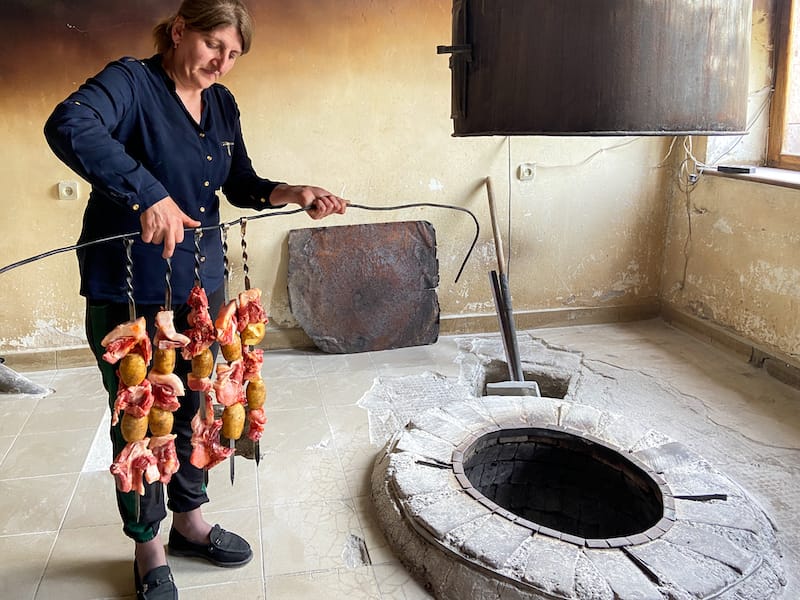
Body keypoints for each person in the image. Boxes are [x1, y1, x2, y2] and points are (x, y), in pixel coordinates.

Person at [44, 1, 346, 598]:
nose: (224, 64)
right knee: (141, 420)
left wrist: (290, 191)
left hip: (201, 289)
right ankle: (148, 545)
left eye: (234, 55)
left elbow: (237, 182)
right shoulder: (131, 83)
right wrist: (146, 195)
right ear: (180, 31)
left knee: (194, 407)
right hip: (132, 290)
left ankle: (189, 521)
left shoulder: (222, 104)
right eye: (216, 47)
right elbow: (68, 124)